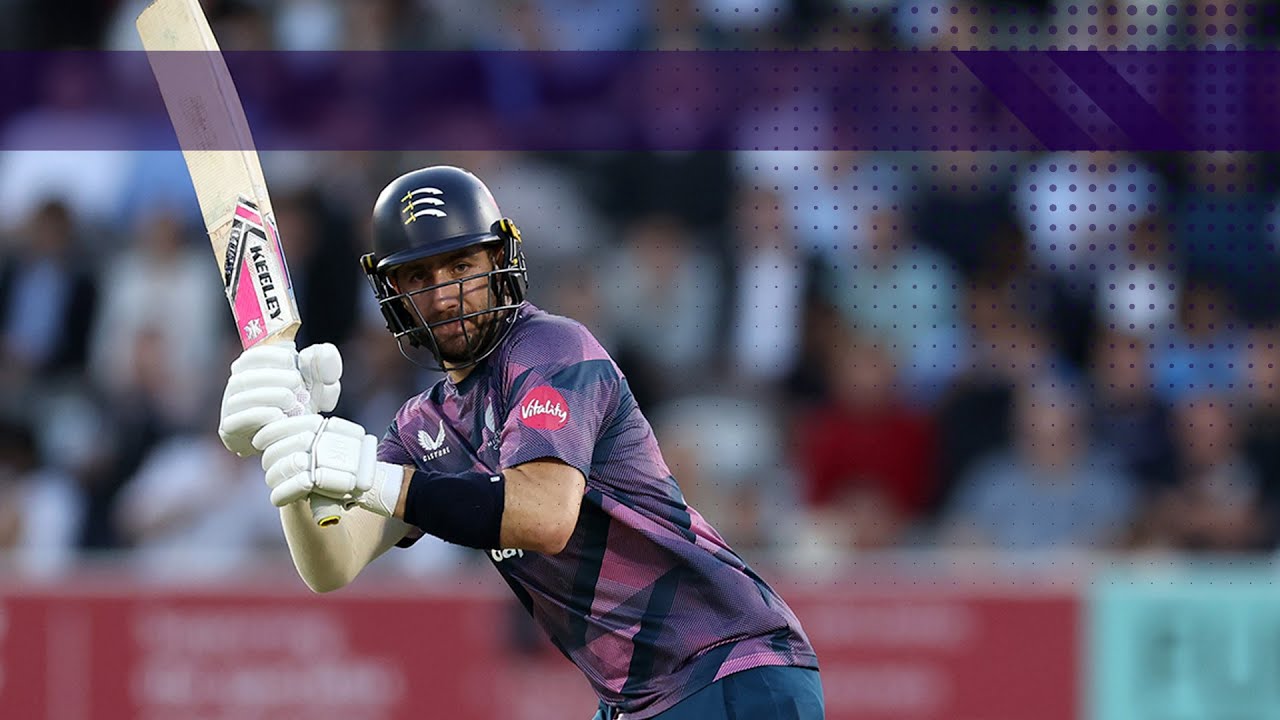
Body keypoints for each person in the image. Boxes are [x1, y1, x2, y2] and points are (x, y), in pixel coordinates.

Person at [217, 166, 823, 719]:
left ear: (498, 261)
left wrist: (372, 479)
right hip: (640, 698)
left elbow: (543, 516)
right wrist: (290, 449)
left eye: (461, 266)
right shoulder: (423, 424)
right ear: (391, 293)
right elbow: (333, 562)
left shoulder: (551, 349)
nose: (445, 294)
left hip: (728, 664)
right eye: (419, 276)